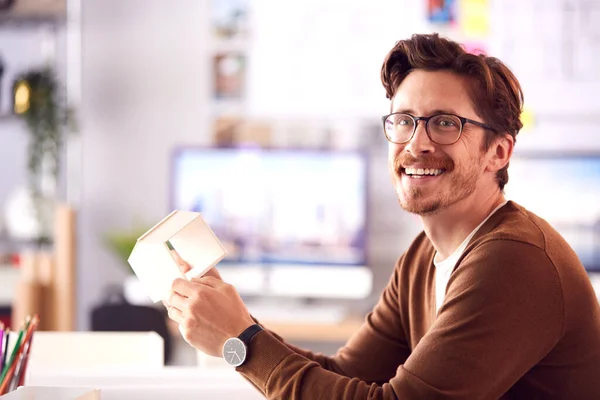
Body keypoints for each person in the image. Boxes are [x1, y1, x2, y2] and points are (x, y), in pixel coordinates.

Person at [163, 33, 600, 399]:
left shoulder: (515, 259)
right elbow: (348, 375)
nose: (416, 143)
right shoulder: (423, 255)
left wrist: (241, 342)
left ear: (498, 152)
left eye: (445, 123)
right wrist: (233, 325)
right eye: (404, 121)